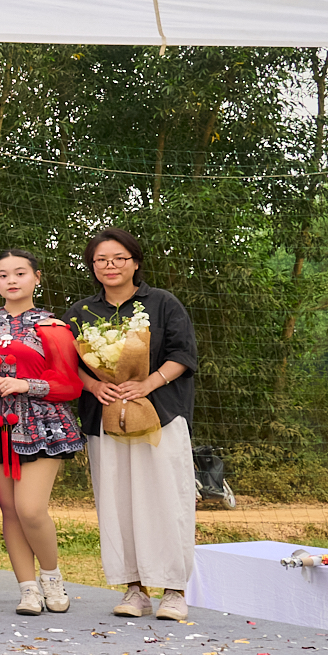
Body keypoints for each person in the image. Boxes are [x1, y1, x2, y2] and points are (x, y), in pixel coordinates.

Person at [69, 228, 200, 622]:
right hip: (106, 419)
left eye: (119, 258)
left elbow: (183, 354)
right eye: (101, 260)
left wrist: (148, 383)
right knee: (117, 502)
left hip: (161, 416)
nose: (110, 266)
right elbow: (67, 364)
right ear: (92, 266)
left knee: (166, 500)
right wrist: (94, 386)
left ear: (135, 262)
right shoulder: (80, 312)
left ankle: (174, 591)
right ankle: (134, 589)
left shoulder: (162, 303)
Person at [0, 249, 85, 617]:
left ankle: (51, 577)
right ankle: (27, 588)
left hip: (42, 425)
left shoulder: (53, 327)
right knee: (10, 510)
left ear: (37, 277)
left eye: (20, 273)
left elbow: (70, 384)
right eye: (3, 274)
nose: (11, 280)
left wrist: (24, 385)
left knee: (30, 509)